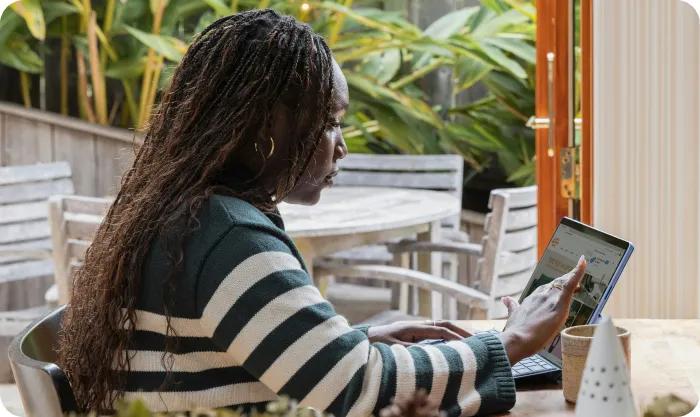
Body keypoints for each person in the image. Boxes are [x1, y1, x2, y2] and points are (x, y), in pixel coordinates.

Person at [58, 9, 587, 417]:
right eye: (330, 122)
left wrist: (351, 342)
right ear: (267, 128)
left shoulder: (184, 213)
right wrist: (512, 341)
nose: (341, 147)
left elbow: (306, 367)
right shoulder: (227, 239)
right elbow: (362, 392)